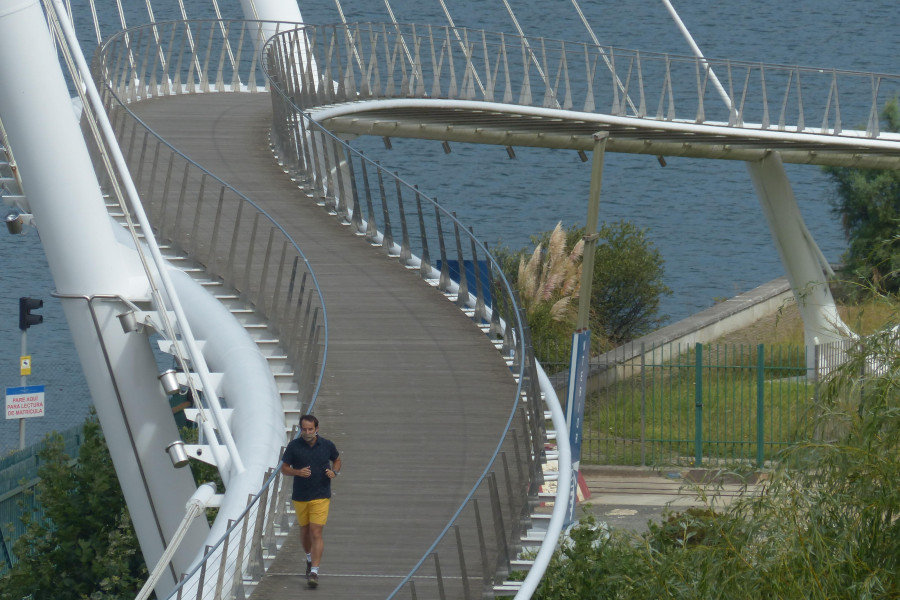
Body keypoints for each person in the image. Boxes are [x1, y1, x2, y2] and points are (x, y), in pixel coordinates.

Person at [280, 414, 341, 588]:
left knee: (316, 532)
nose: (307, 432)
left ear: (317, 429)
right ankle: (308, 558)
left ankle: (314, 571)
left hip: (321, 495)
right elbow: (284, 468)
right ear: (300, 429)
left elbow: (336, 459)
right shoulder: (294, 446)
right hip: (300, 496)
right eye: (304, 429)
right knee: (305, 531)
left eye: (310, 429)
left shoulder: (327, 445)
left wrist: (334, 472)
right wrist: (297, 472)